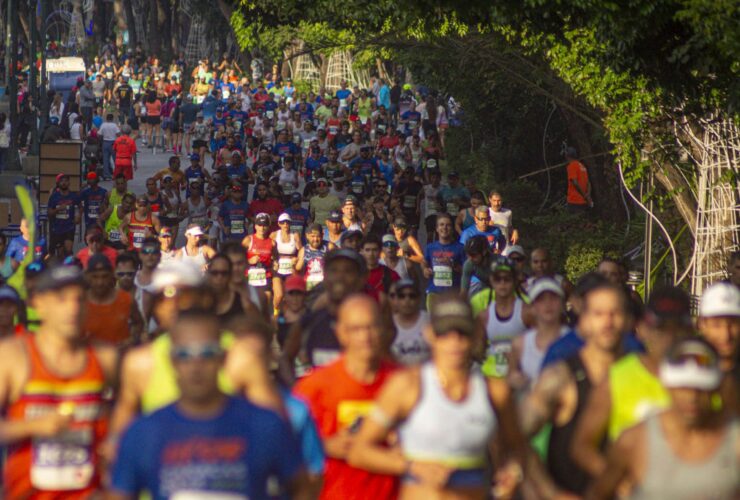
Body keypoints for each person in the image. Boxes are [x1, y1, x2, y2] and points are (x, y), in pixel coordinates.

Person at [109, 309, 310, 500]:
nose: (196, 366)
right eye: (184, 355)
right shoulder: (143, 433)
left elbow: (303, 488)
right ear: (172, 361)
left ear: (223, 358)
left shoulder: (265, 425)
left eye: (207, 353)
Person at [348, 294, 527, 500]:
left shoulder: (495, 391)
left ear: (476, 333)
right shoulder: (408, 386)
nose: (454, 342)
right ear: (429, 334)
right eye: (445, 333)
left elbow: (518, 447)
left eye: (462, 332)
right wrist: (411, 466)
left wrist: (513, 473)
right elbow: (358, 451)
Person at [0, 266, 117, 498]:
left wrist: (115, 441)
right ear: (39, 304)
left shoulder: (105, 358)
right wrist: (34, 427)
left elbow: (127, 417)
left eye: (79, 299)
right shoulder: (12, 356)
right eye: (61, 299)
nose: (73, 308)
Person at [587, 338, 738, 500]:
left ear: (716, 388)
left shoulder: (735, 438)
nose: (692, 397)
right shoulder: (634, 440)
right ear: (667, 385)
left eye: (701, 389)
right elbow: (598, 493)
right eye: (683, 387)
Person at [519, 282, 631, 497]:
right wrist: (549, 492)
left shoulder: (639, 375)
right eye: (598, 314)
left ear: (627, 320)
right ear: (584, 321)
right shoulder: (561, 378)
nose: (607, 322)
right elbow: (517, 438)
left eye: (615, 313)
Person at [571, 286, 695, 479]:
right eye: (661, 328)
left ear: (690, 331)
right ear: (643, 329)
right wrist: (618, 481)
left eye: (678, 328)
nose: (669, 338)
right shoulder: (617, 378)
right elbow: (582, 446)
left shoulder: (709, 379)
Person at [293, 294, 400, 500]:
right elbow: (286, 445)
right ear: (341, 333)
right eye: (356, 329)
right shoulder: (314, 387)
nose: (365, 337)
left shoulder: (403, 382)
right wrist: (324, 445)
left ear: (383, 329)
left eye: (371, 327)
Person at [282, 249, 368, 375]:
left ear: (361, 279)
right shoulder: (310, 322)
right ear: (325, 276)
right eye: (334, 270)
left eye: (348, 271)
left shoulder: (371, 324)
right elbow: (285, 359)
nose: (340, 277)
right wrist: (296, 387)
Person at [507, 278, 569, 392]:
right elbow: (511, 376)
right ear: (532, 307)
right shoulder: (520, 344)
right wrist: (516, 380)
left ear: (562, 304)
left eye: (553, 298)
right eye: (541, 300)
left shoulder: (575, 340)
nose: (548, 304)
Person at [476, 256, 533, 377]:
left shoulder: (527, 312)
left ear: (515, 280)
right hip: (491, 378)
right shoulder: (484, 316)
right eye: (498, 279)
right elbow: (478, 351)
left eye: (507, 279)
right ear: (491, 280)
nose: (502, 283)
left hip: (521, 377)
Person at [697, 282, 739, 413]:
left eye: (732, 324)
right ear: (702, 325)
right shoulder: (690, 370)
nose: (726, 335)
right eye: (716, 325)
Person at [83, 253, 144, 345]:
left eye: (104, 276)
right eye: (95, 277)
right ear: (88, 276)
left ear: (112, 275)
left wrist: (131, 340)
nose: (100, 282)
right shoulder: (80, 302)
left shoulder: (125, 299)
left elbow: (138, 323)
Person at [422, 213, 466, 310]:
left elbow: (466, 271)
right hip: (434, 292)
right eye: (441, 225)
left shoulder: (460, 248)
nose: (444, 228)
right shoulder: (430, 247)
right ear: (437, 228)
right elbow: (424, 262)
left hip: (453, 293)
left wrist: (454, 265)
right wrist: (425, 269)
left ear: (452, 228)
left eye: (448, 225)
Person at [206, 254, 262, 324]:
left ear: (230, 275)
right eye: (215, 273)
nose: (219, 277)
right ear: (208, 274)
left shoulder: (245, 305)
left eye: (224, 273)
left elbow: (259, 327)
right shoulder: (201, 304)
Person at [242, 213, 282, 309]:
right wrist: (249, 260)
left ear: (268, 227)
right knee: (249, 305)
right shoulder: (248, 240)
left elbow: (276, 258)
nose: (262, 228)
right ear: (255, 226)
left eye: (264, 225)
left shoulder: (272, 243)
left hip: (265, 276)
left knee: (266, 302)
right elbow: (237, 258)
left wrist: (276, 263)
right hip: (249, 276)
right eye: (259, 225)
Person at [390, 278, 430, 365]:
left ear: (419, 298)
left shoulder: (430, 322)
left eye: (412, 296)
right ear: (396, 299)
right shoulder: (388, 324)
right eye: (402, 296)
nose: (407, 300)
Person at [47, 173, 81, 257]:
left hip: (69, 227)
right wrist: (58, 209)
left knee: (68, 250)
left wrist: (78, 216)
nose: (64, 183)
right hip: (57, 228)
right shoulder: (54, 197)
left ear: (69, 183)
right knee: (61, 253)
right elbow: (49, 212)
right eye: (62, 181)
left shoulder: (73, 196)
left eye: (66, 181)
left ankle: (70, 263)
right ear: (58, 183)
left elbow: (81, 207)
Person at [296, 223, 334, 291]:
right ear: (307, 236)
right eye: (312, 236)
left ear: (322, 235)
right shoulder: (304, 250)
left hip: (325, 287)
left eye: (318, 236)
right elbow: (298, 269)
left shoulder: (329, 247)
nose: (315, 239)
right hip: (309, 286)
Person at [273, 213, 302, 279]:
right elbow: (268, 249)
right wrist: (274, 261)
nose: (285, 224)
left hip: (291, 268)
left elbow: (301, 252)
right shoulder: (274, 235)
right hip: (278, 268)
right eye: (282, 222)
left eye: (287, 222)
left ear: (290, 223)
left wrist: (297, 259)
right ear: (279, 224)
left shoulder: (295, 235)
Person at [565, 147, 592, 212]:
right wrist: (588, 195)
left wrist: (585, 196)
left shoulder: (572, 166)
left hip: (574, 201)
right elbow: (588, 183)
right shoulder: (582, 166)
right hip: (583, 202)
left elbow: (575, 183)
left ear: (567, 156)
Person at [98, 113, 120, 179]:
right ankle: (117, 174)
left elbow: (99, 134)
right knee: (115, 159)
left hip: (105, 142)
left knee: (105, 160)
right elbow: (118, 134)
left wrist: (101, 141)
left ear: (106, 118)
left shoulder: (103, 125)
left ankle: (106, 174)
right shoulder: (114, 125)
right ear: (112, 119)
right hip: (113, 143)